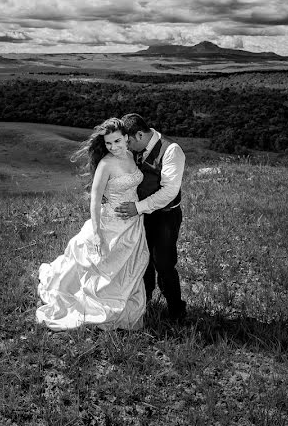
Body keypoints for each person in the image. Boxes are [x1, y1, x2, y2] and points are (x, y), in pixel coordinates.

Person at [36, 117, 150, 331]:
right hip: (111, 223)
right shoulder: (106, 164)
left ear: (126, 138)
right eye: (108, 143)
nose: (113, 147)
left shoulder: (131, 155)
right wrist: (97, 232)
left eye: (117, 141)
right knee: (102, 268)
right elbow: (95, 200)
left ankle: (122, 303)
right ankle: (97, 305)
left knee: (127, 270)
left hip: (132, 224)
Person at [115, 113, 187, 320]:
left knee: (164, 263)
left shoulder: (171, 150)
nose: (126, 147)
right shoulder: (134, 151)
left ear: (139, 135)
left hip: (165, 216)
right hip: (140, 217)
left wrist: (138, 207)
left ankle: (176, 309)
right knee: (142, 261)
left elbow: (169, 191)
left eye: (128, 142)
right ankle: (143, 305)